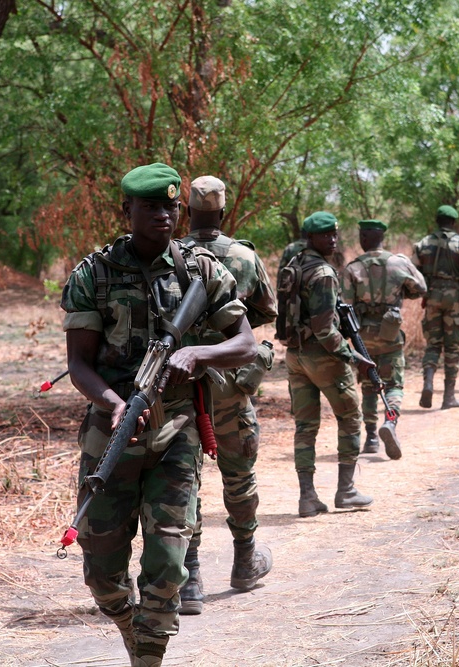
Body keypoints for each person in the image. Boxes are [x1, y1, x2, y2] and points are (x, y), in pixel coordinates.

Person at [61, 163, 256, 667]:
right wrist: (116, 403)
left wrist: (197, 355)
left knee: (169, 567)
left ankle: (148, 654)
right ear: (126, 211)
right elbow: (78, 365)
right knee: (102, 575)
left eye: (171, 206)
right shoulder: (94, 274)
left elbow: (246, 342)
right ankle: (130, 625)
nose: (163, 215)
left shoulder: (201, 270)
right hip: (111, 434)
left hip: (176, 434)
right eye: (150, 207)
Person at [177, 175, 278, 615]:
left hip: (180, 381)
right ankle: (244, 563)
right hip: (231, 381)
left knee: (184, 477)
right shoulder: (241, 255)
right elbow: (265, 311)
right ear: (222, 213)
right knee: (239, 474)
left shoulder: (172, 255)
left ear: (186, 213)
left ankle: (191, 578)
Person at [278, 211, 376, 517]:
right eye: (325, 236)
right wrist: (352, 356)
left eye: (334, 234)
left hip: (295, 356)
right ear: (311, 238)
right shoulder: (323, 272)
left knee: (305, 427)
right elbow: (323, 328)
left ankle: (307, 498)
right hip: (323, 357)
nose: (332, 240)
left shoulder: (293, 266)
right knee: (350, 416)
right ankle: (346, 491)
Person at [340, 219, 427, 458]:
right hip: (390, 333)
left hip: (363, 336)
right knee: (394, 384)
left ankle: (370, 437)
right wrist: (400, 291)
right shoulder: (399, 263)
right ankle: (390, 422)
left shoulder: (352, 268)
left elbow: (343, 303)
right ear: (382, 238)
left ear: (364, 239)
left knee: (368, 384)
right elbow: (421, 288)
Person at [411, 205, 459, 409]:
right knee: (452, 346)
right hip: (454, 298)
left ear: (437, 221)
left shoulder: (423, 243)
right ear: (453, 222)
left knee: (433, 345)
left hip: (432, 298)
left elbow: (414, 272)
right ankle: (448, 397)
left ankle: (428, 382)